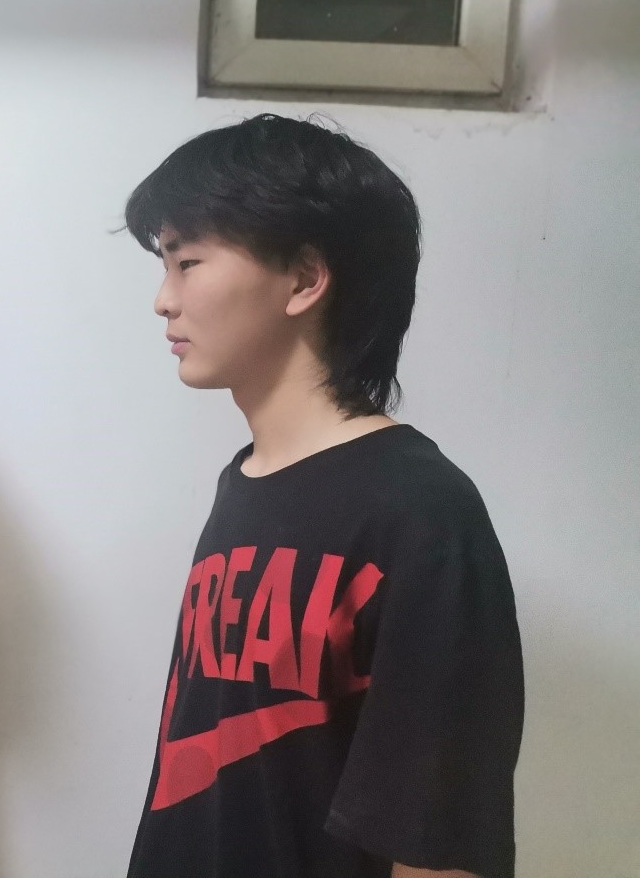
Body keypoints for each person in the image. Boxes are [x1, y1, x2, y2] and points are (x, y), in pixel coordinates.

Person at [122, 115, 523, 878]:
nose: (163, 301)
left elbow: (438, 841)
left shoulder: (422, 511)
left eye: (188, 262)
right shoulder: (244, 481)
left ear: (305, 278)